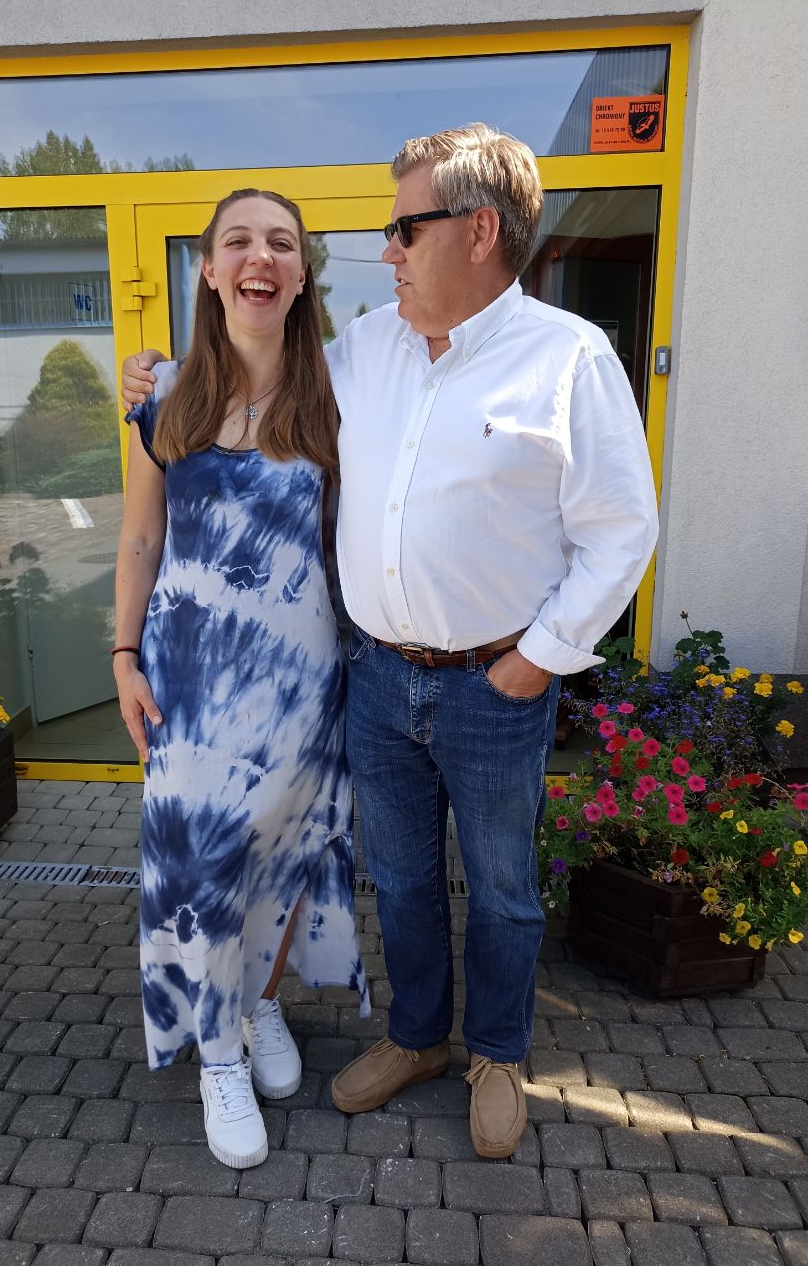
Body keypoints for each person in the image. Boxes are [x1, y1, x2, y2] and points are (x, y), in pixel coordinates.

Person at [122, 123, 659, 1160]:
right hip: (372, 679)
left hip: (494, 683)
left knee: (500, 888)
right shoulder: (363, 351)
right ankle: (416, 1036)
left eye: (405, 228)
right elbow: (247, 371)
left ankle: (495, 1053)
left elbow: (620, 530)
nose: (387, 250)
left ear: (478, 231)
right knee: (402, 882)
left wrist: (539, 656)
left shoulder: (567, 358)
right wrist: (155, 376)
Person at [114, 187, 368, 1170]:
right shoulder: (163, 396)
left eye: (280, 243)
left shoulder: (339, 398)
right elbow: (140, 537)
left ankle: (260, 1003)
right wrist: (122, 657)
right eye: (237, 241)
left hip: (302, 680)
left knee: (285, 849)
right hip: (187, 681)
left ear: (302, 275)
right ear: (210, 271)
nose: (259, 257)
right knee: (202, 863)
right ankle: (216, 1054)